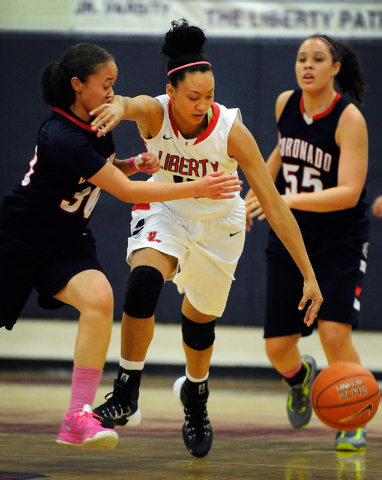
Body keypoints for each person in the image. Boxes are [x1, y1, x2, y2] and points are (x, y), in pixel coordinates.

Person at [90, 19, 323, 458]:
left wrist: (309, 274)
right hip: (167, 209)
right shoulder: (155, 112)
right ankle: (126, 391)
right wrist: (119, 108)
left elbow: (273, 204)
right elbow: (132, 103)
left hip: (220, 227)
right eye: (193, 97)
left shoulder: (230, 131)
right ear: (172, 91)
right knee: (143, 282)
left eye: (210, 96)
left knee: (199, 324)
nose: (202, 105)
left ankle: (195, 397)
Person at [0, 42, 243, 450]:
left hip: (66, 239)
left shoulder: (97, 123)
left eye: (116, 85)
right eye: (106, 84)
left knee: (100, 298)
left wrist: (131, 164)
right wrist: (201, 186)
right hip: (21, 239)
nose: (113, 92)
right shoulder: (61, 132)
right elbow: (129, 194)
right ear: (78, 85)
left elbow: (102, 173)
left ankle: (78, 418)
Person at [245, 34, 370, 451]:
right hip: (291, 236)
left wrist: (286, 198)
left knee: (333, 332)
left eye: (317, 59)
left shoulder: (349, 119)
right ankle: (300, 379)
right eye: (301, 59)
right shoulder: (286, 103)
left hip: (339, 239)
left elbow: (350, 192)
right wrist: (260, 187)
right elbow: (284, 148)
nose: (307, 66)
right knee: (278, 348)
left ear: (335, 67)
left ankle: (354, 417)